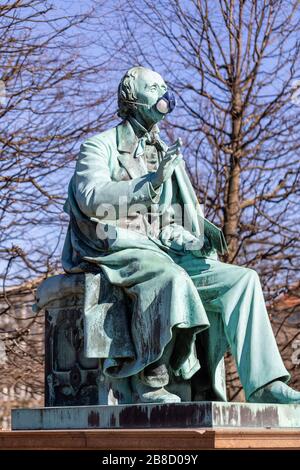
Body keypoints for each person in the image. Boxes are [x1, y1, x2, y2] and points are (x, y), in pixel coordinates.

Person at [62, 66, 300, 404]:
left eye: (164, 86)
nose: (163, 94)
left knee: (243, 280)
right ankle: (151, 381)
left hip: (162, 249)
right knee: (170, 278)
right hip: (116, 247)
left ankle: (264, 385)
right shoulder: (99, 147)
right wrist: (151, 183)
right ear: (132, 99)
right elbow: (92, 198)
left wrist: (189, 238)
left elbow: (169, 221)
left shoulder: (164, 152)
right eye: (155, 87)